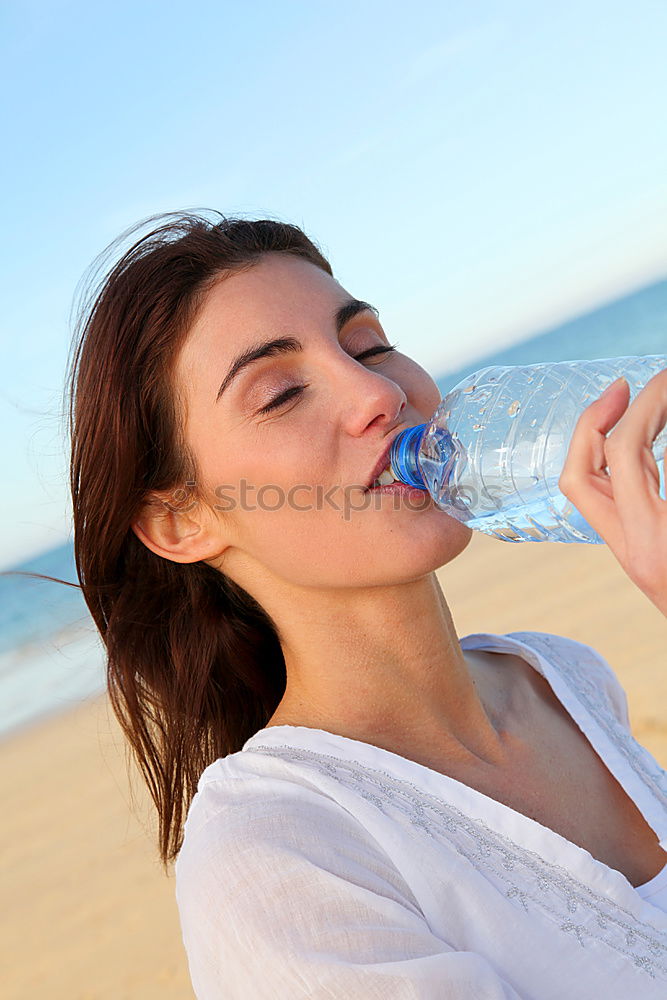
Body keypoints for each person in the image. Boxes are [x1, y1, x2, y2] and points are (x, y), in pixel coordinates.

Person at [67, 211, 667, 998]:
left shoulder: (561, 679)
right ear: (180, 520)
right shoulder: (279, 852)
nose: (378, 392)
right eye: (280, 393)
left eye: (368, 345)